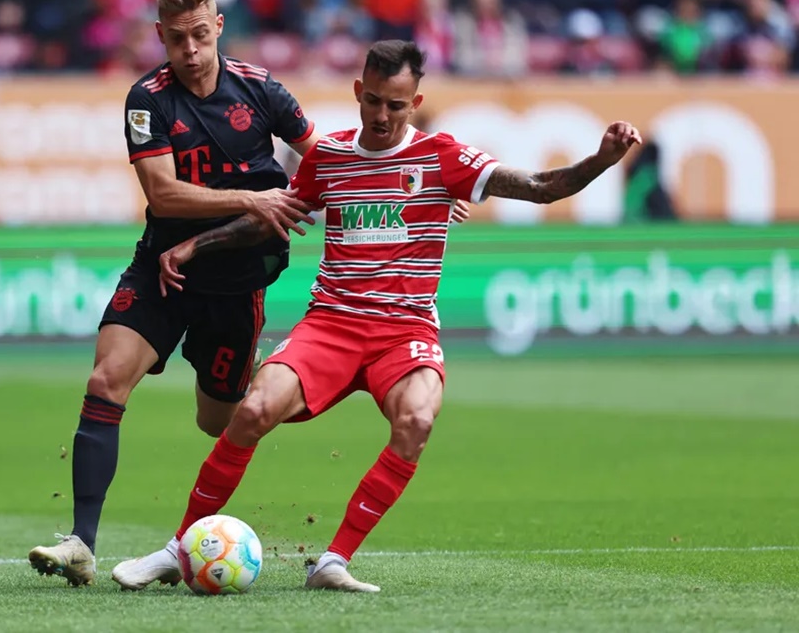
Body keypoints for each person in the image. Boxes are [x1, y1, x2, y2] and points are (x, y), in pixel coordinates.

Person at [112, 39, 642, 592]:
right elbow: (274, 217)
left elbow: (540, 188)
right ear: (359, 92)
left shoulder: (444, 157)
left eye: (396, 104)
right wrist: (197, 246)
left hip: (404, 332)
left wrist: (602, 160)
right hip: (332, 325)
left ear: (415, 101)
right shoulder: (330, 157)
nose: (383, 116)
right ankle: (178, 547)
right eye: (375, 103)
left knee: (416, 421)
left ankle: (333, 560)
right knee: (254, 410)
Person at [26, 0, 322, 588]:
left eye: (199, 36)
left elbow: (325, 158)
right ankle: (82, 542)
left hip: (236, 283)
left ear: (217, 27)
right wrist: (253, 201)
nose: (189, 52)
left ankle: (276, 381)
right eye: (176, 40)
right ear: (159, 36)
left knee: (218, 423)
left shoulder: (262, 89)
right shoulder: (147, 98)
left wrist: (420, 192)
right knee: (106, 378)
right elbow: (161, 193)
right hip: (163, 270)